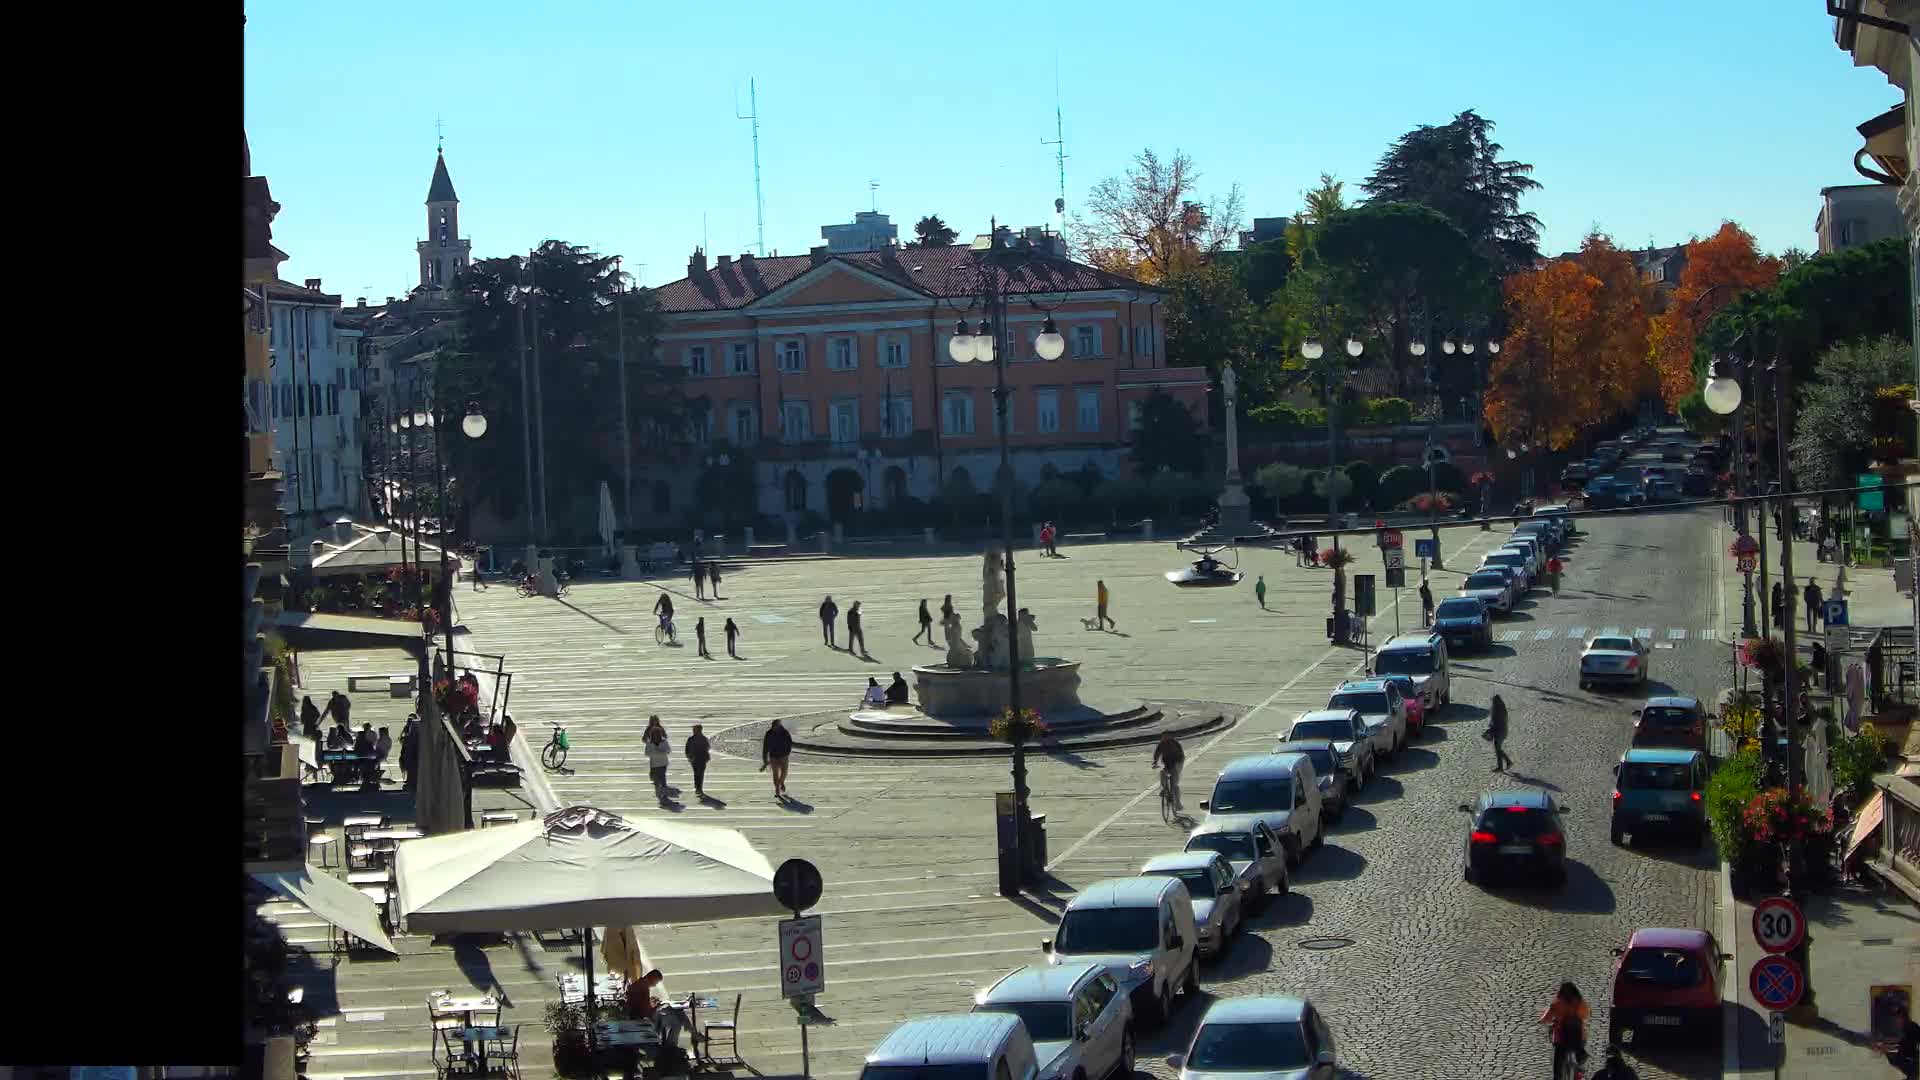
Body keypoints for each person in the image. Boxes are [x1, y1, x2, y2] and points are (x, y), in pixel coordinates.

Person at [1539, 982, 1589, 1078]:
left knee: (1558, 1068)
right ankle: (1579, 1069)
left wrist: (1543, 1021)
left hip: (1561, 1039)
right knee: (1578, 1054)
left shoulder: (1557, 1004)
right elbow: (1586, 1015)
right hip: (1579, 1037)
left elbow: (1546, 1018)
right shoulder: (1581, 1003)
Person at [1151, 733, 1185, 810]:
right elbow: (1157, 754)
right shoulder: (1161, 744)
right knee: (1162, 773)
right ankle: (1164, 789)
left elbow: (1181, 756)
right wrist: (1155, 763)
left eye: (1166, 737)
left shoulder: (1175, 744)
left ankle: (1178, 803)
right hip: (1167, 764)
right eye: (1163, 737)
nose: (1165, 739)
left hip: (1176, 763)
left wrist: (1178, 767)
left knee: (1174, 784)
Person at [1886, 1001, 1919, 1079]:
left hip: (1910, 1060)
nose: (1897, 1021)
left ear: (1903, 1017)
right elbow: (1902, 1043)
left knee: (1892, 1058)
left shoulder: (1911, 1027)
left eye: (1898, 1018)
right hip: (1908, 1059)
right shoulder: (1906, 1028)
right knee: (1891, 1057)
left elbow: (1906, 1044)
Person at [762, 717, 793, 799]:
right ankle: (777, 790)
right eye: (775, 725)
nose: (775, 727)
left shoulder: (785, 732)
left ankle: (781, 782)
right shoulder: (769, 733)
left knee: (784, 772)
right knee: (775, 773)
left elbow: (789, 743)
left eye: (777, 725)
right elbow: (765, 747)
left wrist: (787, 753)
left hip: (784, 756)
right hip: (773, 756)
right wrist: (765, 759)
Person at [643, 715, 672, 804]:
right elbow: (646, 753)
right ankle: (659, 794)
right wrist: (654, 752)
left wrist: (661, 751)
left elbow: (668, 750)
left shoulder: (663, 741)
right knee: (656, 780)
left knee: (662, 779)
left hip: (663, 763)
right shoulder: (649, 742)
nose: (656, 736)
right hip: (654, 764)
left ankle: (664, 795)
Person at [684, 723, 711, 798]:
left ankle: (698, 788)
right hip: (699, 759)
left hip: (698, 758)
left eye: (694, 729)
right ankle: (698, 788)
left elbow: (687, 749)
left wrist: (688, 756)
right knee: (699, 774)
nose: (693, 730)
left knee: (698, 773)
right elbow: (707, 747)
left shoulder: (692, 739)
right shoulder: (703, 738)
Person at [1487, 693, 1513, 773]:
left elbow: (1496, 722)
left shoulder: (1497, 711)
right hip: (1502, 731)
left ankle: (1502, 766)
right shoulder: (1502, 709)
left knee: (1498, 749)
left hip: (1498, 732)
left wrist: (1490, 728)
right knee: (1498, 749)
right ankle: (1507, 763)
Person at [399, 717, 419, 788]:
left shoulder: (407, 730)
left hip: (408, 753)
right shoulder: (409, 731)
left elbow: (401, 738)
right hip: (408, 753)